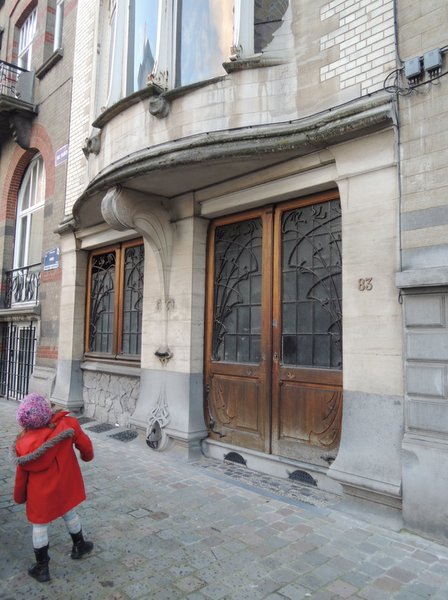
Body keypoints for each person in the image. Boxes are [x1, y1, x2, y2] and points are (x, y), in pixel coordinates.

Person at [13, 393, 94, 583]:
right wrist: (87, 456)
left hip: (40, 493)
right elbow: (85, 444)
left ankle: (42, 568)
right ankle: (79, 545)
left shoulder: (23, 444)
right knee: (69, 512)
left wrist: (19, 496)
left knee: (39, 526)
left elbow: (21, 476)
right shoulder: (67, 425)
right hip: (64, 484)